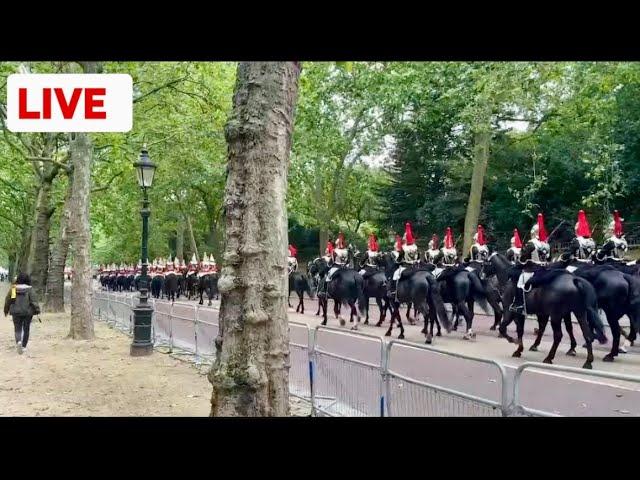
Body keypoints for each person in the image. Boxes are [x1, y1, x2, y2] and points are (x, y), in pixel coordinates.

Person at [510, 213, 551, 313]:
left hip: (532, 270)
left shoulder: (531, 243)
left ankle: (519, 305)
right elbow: (549, 258)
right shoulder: (546, 245)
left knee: (520, 283)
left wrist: (519, 263)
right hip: (545, 270)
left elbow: (523, 258)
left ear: (533, 232)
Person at [4, 273, 40, 355]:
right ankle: (24, 346)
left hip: (16, 312)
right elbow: (33, 301)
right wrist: (37, 310)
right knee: (26, 328)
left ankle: (18, 342)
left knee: (17, 328)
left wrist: (6, 310)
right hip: (28, 312)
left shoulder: (13, 289)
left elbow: (9, 300)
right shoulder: (30, 289)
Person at [390, 222, 419, 296]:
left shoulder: (403, 247)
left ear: (406, 238)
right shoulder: (415, 246)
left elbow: (399, 259)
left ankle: (393, 291)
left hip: (406, 267)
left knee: (395, 274)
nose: (403, 238)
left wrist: (398, 260)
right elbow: (418, 257)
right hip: (415, 267)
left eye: (404, 237)